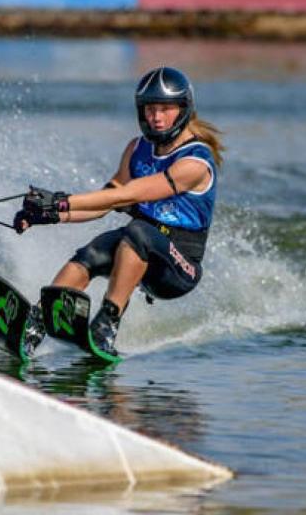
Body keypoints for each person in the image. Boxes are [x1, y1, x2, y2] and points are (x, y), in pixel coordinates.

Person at [14, 66, 224, 359]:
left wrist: (63, 201)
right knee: (94, 251)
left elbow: (129, 194)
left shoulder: (195, 163)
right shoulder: (136, 149)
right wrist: (49, 215)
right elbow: (106, 202)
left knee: (137, 232)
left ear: (184, 109)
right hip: (137, 248)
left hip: (178, 267)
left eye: (166, 109)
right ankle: (36, 322)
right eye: (150, 109)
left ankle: (106, 325)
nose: (157, 117)